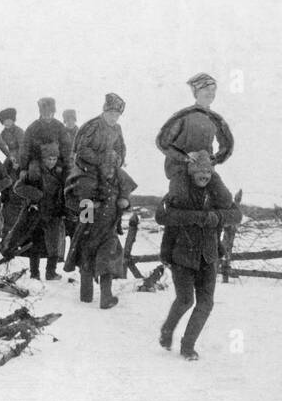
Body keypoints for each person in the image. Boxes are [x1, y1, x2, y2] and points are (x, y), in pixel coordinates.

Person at [155, 151, 241, 359]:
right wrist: (166, 253)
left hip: (208, 257)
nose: (204, 176)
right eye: (200, 172)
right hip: (182, 257)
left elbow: (236, 214)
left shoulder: (216, 195)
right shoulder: (180, 194)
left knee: (206, 303)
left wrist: (216, 216)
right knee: (185, 300)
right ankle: (167, 330)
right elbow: (164, 219)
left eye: (208, 172)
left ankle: (188, 346)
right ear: (192, 173)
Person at [64, 148, 136, 308]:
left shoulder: (119, 182)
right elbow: (72, 203)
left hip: (108, 231)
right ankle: (85, 297)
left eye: (112, 168)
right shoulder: (88, 184)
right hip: (88, 231)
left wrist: (126, 203)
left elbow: (125, 200)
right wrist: (90, 205)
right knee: (87, 263)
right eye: (106, 167)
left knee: (107, 262)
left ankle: (106, 297)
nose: (109, 171)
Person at [3, 142, 67, 280]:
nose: (52, 162)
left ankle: (51, 273)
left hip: (53, 212)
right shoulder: (34, 173)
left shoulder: (59, 172)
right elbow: (17, 187)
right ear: (43, 159)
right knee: (35, 244)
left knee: (54, 243)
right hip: (36, 212)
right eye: (49, 159)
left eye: (54, 159)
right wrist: (36, 195)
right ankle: (34, 274)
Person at [155, 73, 235, 178]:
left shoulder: (216, 119)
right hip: (180, 170)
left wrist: (215, 159)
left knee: (223, 194)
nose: (210, 93)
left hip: (204, 170)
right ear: (196, 93)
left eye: (213, 90)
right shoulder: (183, 116)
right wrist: (185, 157)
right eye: (206, 89)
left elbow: (227, 145)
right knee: (180, 193)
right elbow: (162, 142)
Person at [70, 93, 127, 180]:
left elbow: (120, 148)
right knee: (89, 187)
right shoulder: (93, 126)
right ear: (105, 112)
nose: (114, 118)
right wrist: (102, 158)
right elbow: (81, 150)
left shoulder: (117, 128)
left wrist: (118, 160)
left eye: (117, 115)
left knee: (126, 183)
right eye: (111, 114)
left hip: (108, 168)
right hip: (87, 167)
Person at [21, 97, 69, 172]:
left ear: (53, 113)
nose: (48, 116)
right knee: (34, 174)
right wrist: (23, 168)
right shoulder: (32, 128)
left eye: (50, 113)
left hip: (56, 161)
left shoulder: (59, 126)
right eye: (45, 114)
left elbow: (66, 147)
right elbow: (25, 148)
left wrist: (61, 164)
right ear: (41, 113)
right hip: (37, 160)